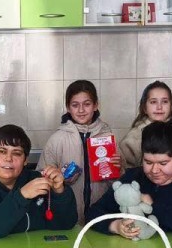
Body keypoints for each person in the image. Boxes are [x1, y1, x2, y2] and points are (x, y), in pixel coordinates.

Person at [88, 119, 172, 238]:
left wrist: (150, 206)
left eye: (163, 163)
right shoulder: (133, 178)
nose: (154, 170)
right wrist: (116, 226)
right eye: (148, 162)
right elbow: (94, 212)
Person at [0, 124, 77, 239]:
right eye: (2, 151)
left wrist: (59, 192)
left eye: (16, 153)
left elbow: (66, 223)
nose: (8, 158)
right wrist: (22, 196)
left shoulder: (37, 180)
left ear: (25, 160)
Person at [38, 80, 120, 220]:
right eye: (75, 105)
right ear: (68, 108)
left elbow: (120, 184)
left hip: (102, 217)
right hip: (67, 217)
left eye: (87, 104)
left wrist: (118, 169)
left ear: (95, 105)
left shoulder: (108, 138)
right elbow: (41, 179)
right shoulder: (57, 140)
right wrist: (59, 178)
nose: (81, 110)